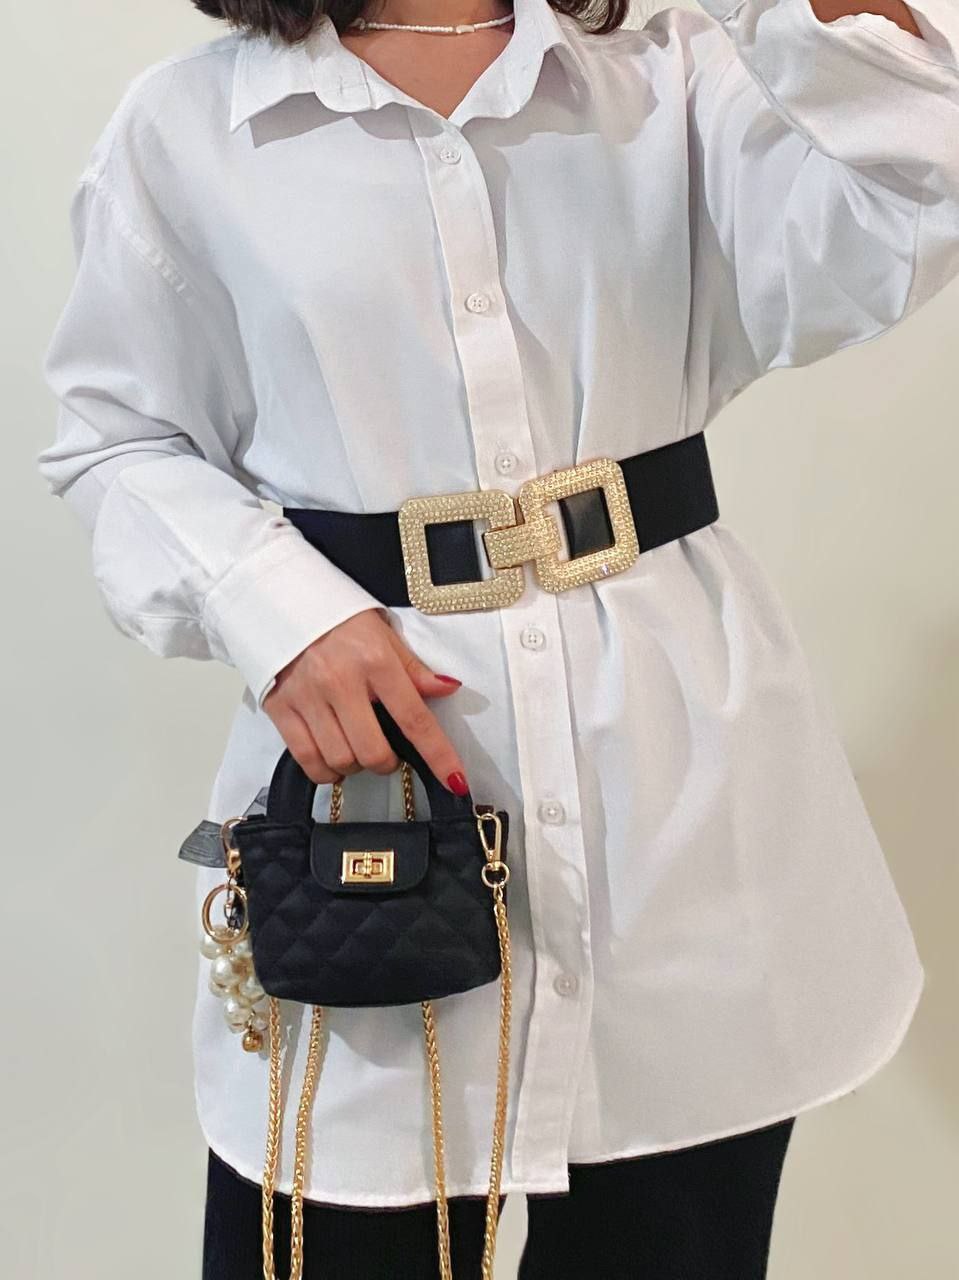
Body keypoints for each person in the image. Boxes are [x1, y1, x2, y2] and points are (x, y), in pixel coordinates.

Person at [37, 0, 958, 1276]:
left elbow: (909, 199)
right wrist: (275, 612)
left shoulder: (676, 74)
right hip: (368, 821)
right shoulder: (193, 127)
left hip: (676, 820)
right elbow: (113, 434)